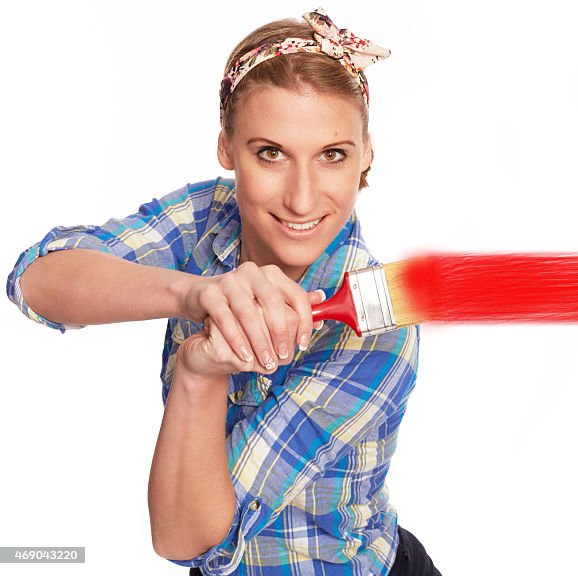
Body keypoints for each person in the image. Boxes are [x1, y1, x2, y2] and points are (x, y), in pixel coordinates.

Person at [5, 6, 441, 576]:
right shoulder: (210, 216)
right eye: (270, 154)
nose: (302, 199)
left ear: (365, 158)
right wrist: (197, 296)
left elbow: (191, 540)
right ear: (226, 150)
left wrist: (202, 373)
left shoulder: (379, 337)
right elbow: (36, 279)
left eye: (332, 155)